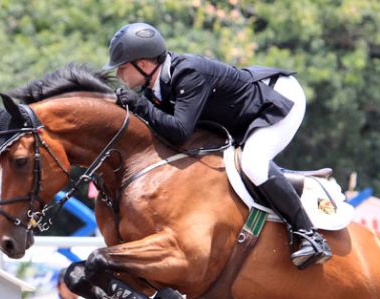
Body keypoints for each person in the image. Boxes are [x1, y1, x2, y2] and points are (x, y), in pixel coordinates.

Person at [104, 22, 331, 270]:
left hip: (277, 99)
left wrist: (141, 106)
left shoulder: (187, 74)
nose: (119, 75)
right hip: (244, 113)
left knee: (252, 162)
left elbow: (179, 132)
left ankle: (309, 235)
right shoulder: (155, 90)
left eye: (122, 67)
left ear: (143, 64)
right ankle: (289, 182)